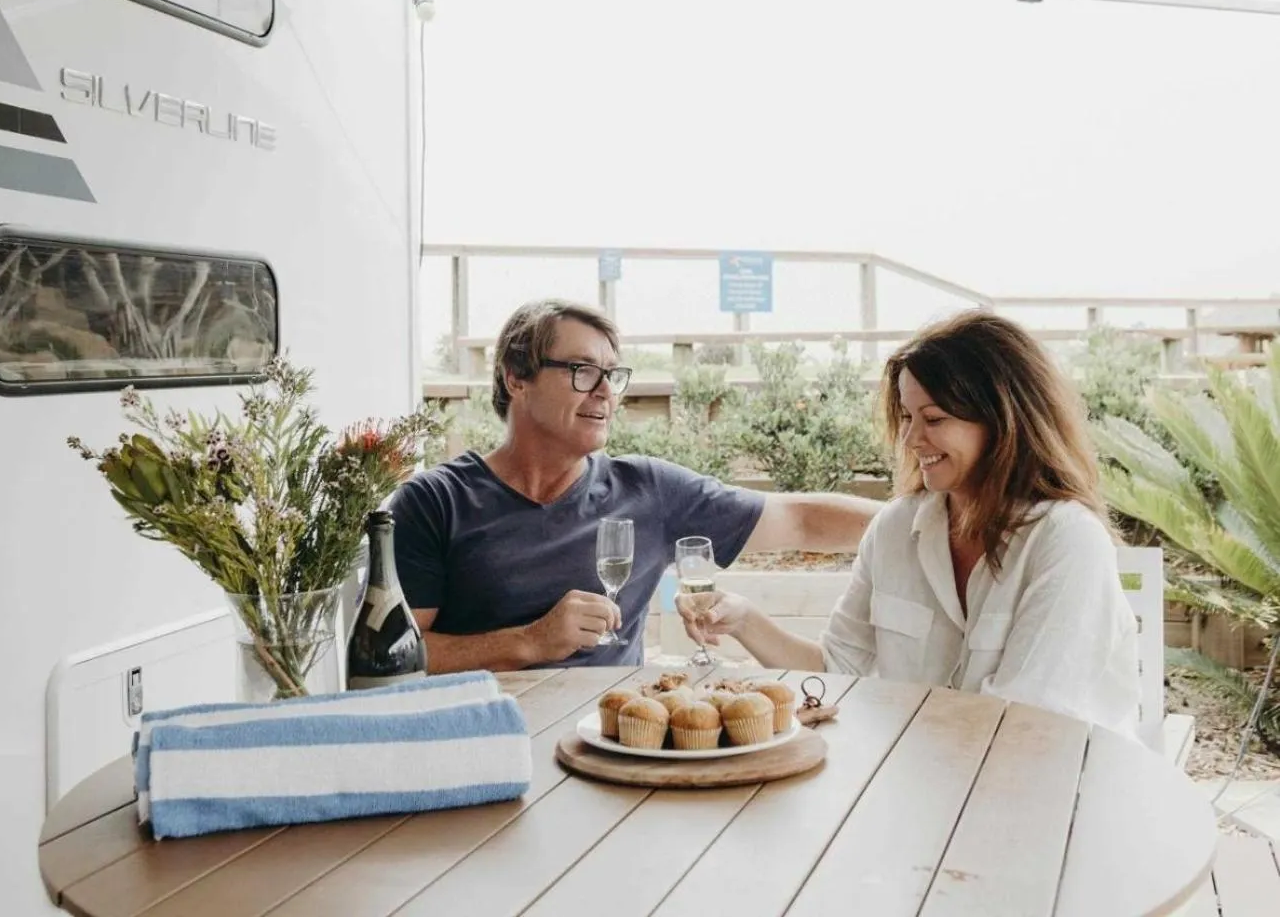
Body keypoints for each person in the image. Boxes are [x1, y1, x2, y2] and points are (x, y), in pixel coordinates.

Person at [678, 310, 1140, 732]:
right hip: (931, 780)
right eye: (905, 416)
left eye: (934, 419)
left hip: (1051, 793)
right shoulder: (897, 527)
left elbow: (1026, 722)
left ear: (1004, 422)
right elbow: (838, 668)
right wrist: (742, 620)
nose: (912, 438)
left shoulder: (1067, 541)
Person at [390, 299, 883, 672]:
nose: (606, 390)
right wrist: (528, 641)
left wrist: (927, 519)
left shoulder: (649, 489)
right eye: (583, 371)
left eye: (613, 375)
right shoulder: (433, 502)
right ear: (517, 378)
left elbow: (797, 521)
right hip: (484, 748)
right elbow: (394, 657)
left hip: (612, 749)